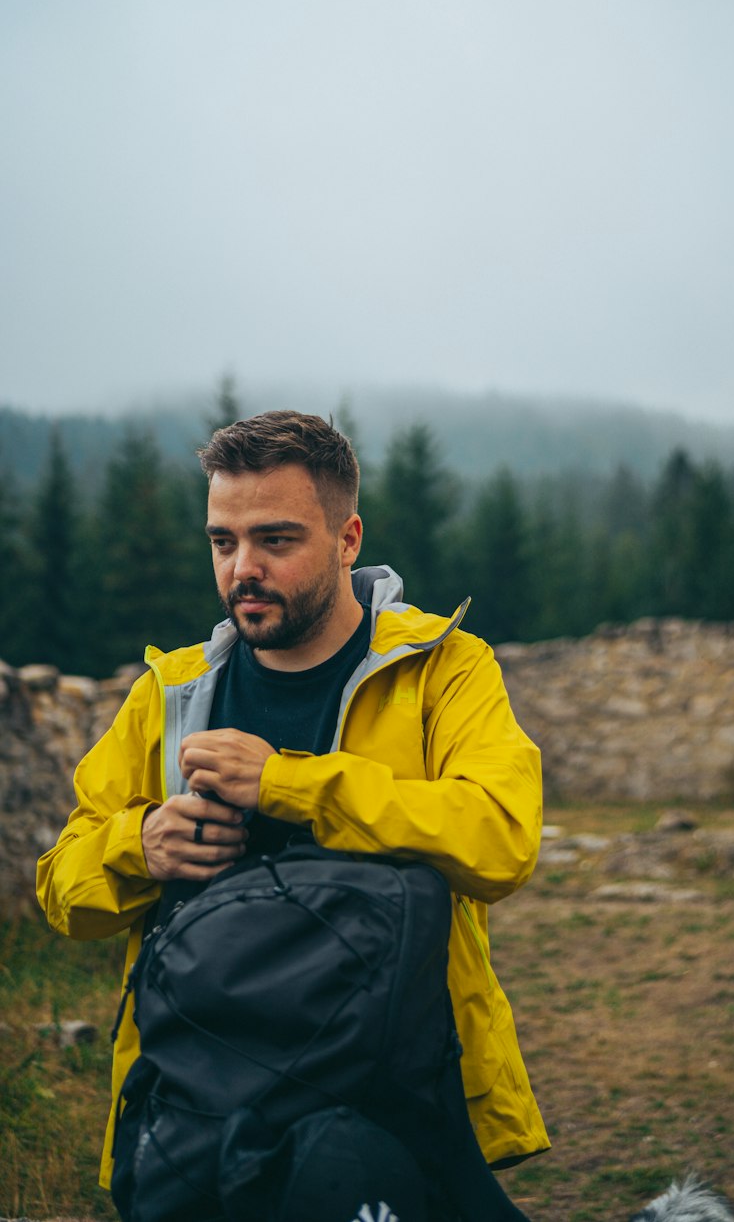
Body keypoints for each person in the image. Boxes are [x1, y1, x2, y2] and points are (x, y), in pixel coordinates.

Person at [36, 410, 549, 1193]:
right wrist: (138, 847)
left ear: (348, 541)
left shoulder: (442, 670)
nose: (243, 567)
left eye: (275, 540)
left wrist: (287, 784)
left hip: (393, 1097)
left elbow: (501, 838)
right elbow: (61, 888)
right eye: (222, 541)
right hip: (201, 1107)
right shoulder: (170, 693)